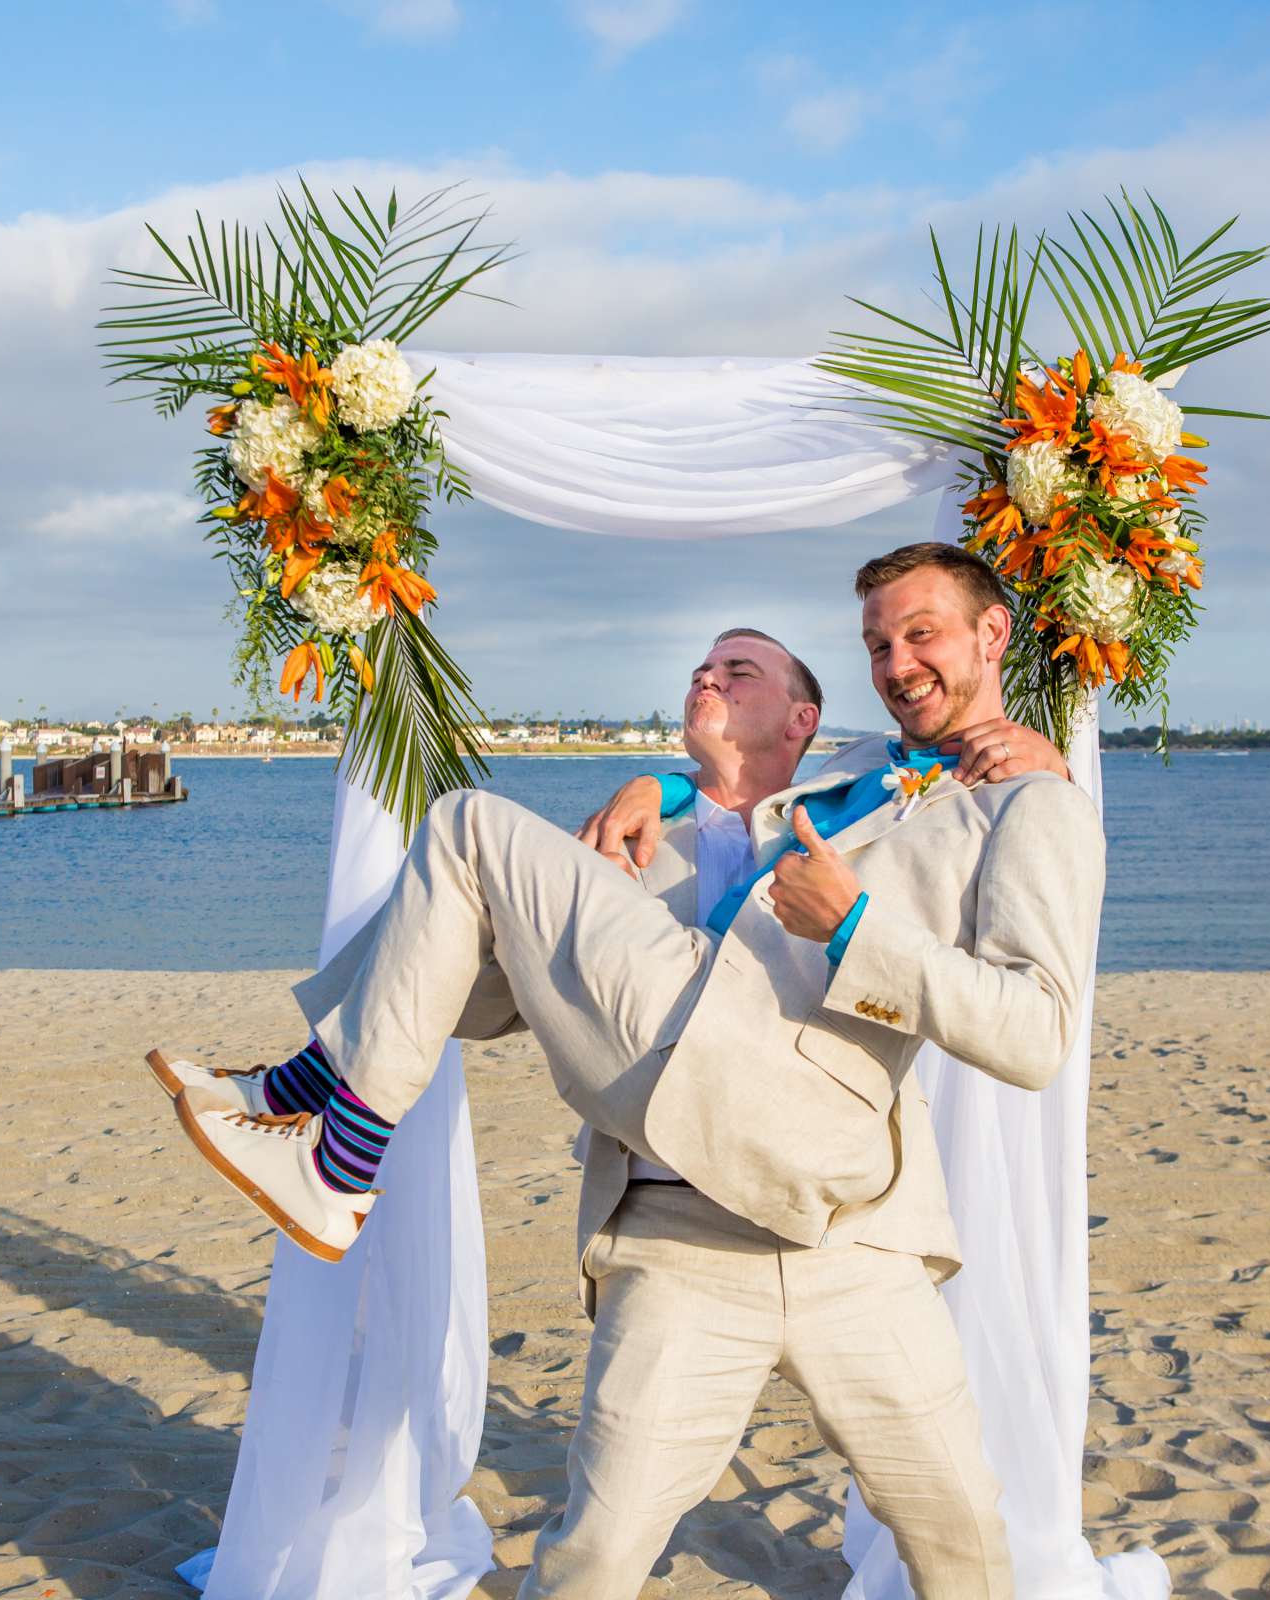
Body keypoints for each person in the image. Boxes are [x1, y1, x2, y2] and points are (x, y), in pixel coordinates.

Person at [153, 540, 1106, 1596]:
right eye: (879, 641)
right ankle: (329, 1113)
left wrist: (857, 930)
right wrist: (617, 830)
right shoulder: (735, 816)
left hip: (853, 1236)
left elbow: (1035, 1032)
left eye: (918, 634)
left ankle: (323, 1123)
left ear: (992, 633)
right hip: (673, 1234)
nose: (895, 660)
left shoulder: (1022, 799)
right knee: (591, 1559)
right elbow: (481, 1010)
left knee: (966, 1538)